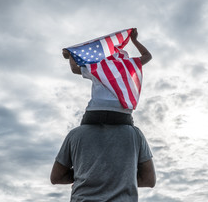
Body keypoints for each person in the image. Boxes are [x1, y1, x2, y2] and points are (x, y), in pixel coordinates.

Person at [51, 29, 156, 201]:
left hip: (94, 114)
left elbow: (73, 68)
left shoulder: (100, 68)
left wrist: (70, 54)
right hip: (121, 116)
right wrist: (135, 40)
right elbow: (147, 56)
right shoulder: (128, 67)